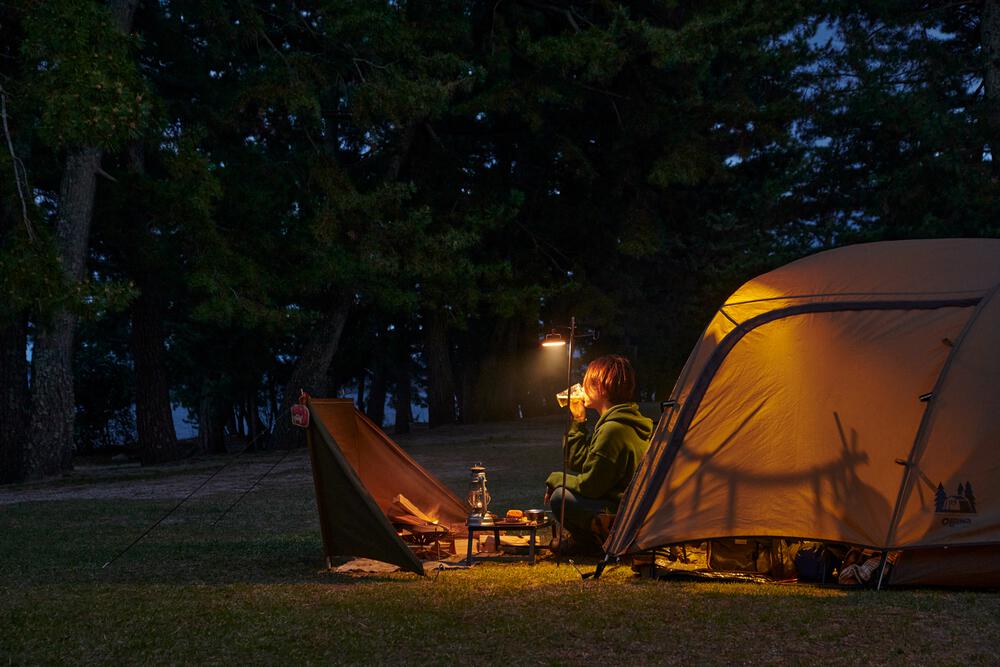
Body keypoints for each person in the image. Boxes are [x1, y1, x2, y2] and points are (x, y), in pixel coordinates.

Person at [544, 355, 653, 555]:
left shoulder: (614, 429)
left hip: (622, 514)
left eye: (587, 384)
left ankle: (595, 546)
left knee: (561, 498)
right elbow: (579, 461)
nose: (582, 389)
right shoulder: (618, 422)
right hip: (625, 509)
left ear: (601, 388)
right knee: (564, 494)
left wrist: (556, 479)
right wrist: (578, 420)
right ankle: (588, 542)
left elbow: (590, 486)